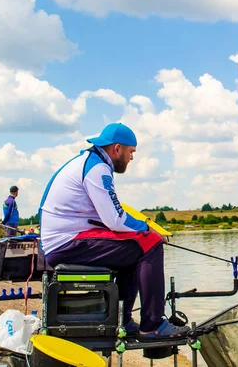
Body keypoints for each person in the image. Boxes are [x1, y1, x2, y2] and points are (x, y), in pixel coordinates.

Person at [39, 123, 188, 341]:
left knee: (133, 249)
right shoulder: (97, 169)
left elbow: (111, 217)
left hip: (64, 241)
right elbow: (115, 220)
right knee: (151, 243)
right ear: (117, 148)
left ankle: (123, 321)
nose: (131, 158)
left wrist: (139, 229)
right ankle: (153, 325)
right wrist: (149, 229)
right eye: (131, 152)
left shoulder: (90, 163)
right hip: (66, 244)